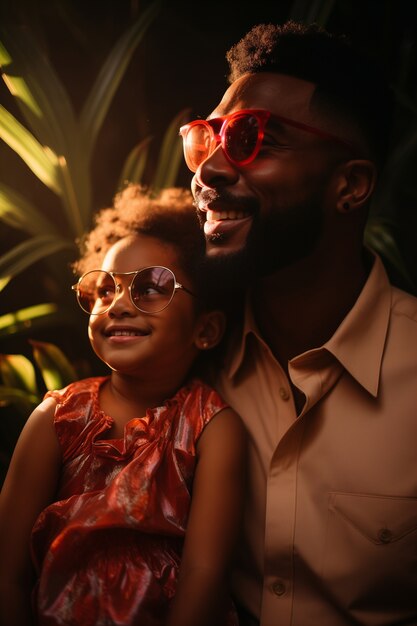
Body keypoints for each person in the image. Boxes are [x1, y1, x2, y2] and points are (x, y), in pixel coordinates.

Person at [179, 20, 417, 626]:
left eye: (253, 137)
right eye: (207, 139)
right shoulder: (185, 357)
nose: (208, 172)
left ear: (351, 186)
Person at [0, 184, 247, 626]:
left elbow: (205, 577)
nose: (118, 305)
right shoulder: (56, 419)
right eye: (105, 289)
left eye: (152, 287)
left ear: (205, 329)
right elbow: (6, 573)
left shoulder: (212, 428)